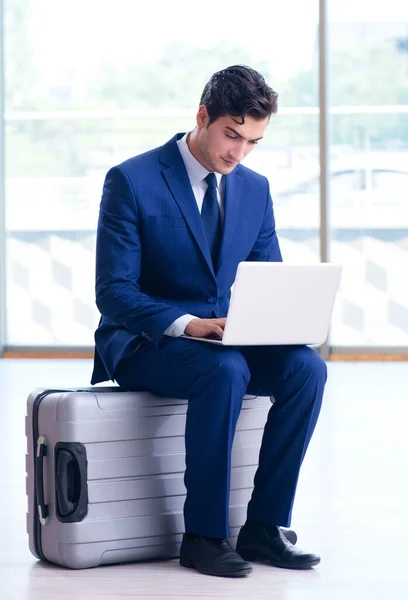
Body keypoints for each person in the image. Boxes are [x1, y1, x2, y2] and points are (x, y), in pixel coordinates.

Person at [91, 65, 327, 578]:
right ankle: (203, 535)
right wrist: (187, 323)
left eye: (253, 142)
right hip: (147, 340)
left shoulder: (254, 190)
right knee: (225, 372)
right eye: (231, 134)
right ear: (203, 116)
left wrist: (283, 320)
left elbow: (269, 278)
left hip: (227, 340)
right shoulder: (132, 180)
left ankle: (264, 528)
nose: (238, 153)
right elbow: (113, 292)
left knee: (307, 369)